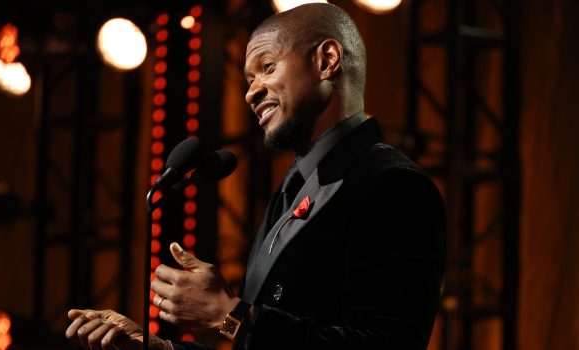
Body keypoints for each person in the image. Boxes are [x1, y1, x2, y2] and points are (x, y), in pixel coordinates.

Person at [65, 3, 446, 350]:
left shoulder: (392, 185)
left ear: (327, 60)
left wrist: (230, 317)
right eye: (248, 79)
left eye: (267, 67)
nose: (251, 93)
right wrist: (154, 347)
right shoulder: (290, 191)